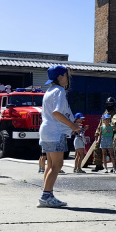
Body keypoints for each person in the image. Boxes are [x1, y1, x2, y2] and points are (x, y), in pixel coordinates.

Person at [38, 65, 82, 208]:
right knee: (57, 165)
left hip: (47, 130)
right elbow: (57, 113)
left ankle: (48, 195)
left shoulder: (49, 91)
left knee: (50, 165)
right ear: (60, 77)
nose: (68, 78)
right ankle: (45, 196)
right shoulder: (60, 90)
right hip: (55, 132)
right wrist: (73, 126)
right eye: (67, 75)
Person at [91, 97, 116, 171]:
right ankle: (98, 165)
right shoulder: (105, 112)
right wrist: (97, 134)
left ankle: (115, 166)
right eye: (108, 104)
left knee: (113, 152)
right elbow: (100, 124)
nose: (110, 105)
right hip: (104, 136)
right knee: (98, 149)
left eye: (111, 104)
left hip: (112, 135)